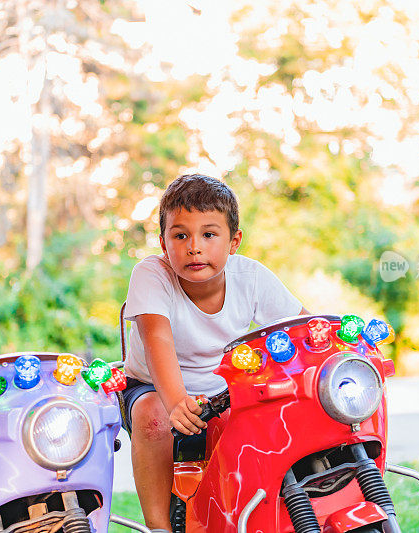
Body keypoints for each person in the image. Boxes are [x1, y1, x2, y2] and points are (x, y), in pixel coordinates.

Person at [121, 174, 308, 532]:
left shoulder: (251, 276)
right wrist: (176, 401)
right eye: (180, 235)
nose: (194, 247)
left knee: (273, 416)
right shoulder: (151, 274)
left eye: (209, 234)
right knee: (152, 415)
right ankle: (159, 526)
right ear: (163, 243)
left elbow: (302, 327)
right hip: (153, 387)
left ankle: (250, 515)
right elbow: (157, 340)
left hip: (224, 390)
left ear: (234, 241)